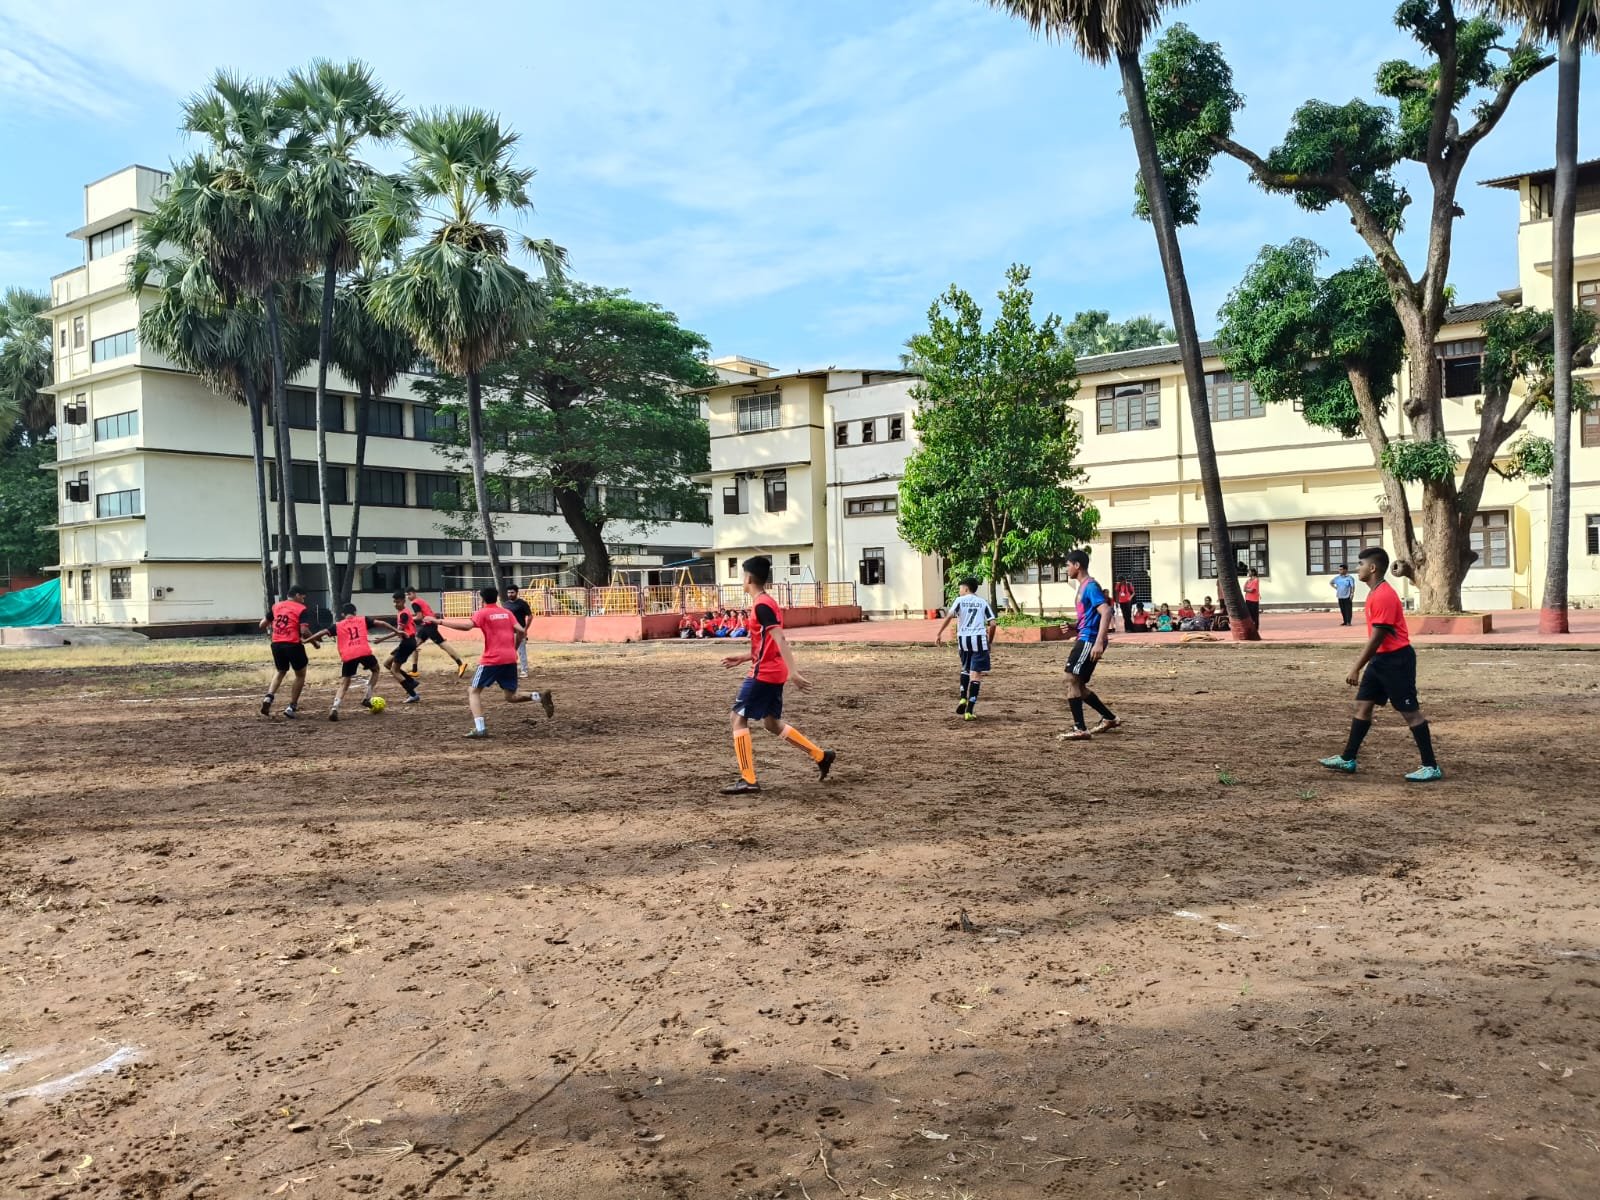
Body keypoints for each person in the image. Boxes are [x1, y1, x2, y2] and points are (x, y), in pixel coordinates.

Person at [1318, 546, 1442, 782]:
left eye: (1360, 564)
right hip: (1380, 660)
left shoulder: (1384, 595)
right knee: (1362, 706)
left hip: (1396, 661)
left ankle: (1431, 766)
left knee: (1410, 713)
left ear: (1372, 568)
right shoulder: (1375, 593)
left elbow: (1378, 637)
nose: (1357, 568)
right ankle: (1348, 758)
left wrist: (1356, 667)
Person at [721, 555, 836, 795]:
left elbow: (780, 638)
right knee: (771, 723)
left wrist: (794, 671)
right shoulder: (768, 602)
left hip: (764, 673)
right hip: (773, 670)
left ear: (748, 578)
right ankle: (820, 755)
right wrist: (745, 656)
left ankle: (748, 779)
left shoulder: (761, 605)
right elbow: (769, 643)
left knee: (737, 718)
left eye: (742, 576)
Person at [439, 586, 554, 739]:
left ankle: (480, 729)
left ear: (482, 599)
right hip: (509, 658)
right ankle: (538, 696)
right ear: (497, 597)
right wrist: (514, 648)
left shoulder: (482, 612)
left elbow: (467, 627)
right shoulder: (507, 613)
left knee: (473, 691)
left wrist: (440, 621)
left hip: (492, 659)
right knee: (510, 696)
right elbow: (521, 631)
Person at [1058, 549, 1120, 741]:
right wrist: (1073, 626)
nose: (1066, 569)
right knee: (1078, 684)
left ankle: (1080, 728)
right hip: (1086, 636)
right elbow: (1090, 617)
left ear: (1077, 565)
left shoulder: (1090, 586)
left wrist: (1099, 641)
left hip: (1089, 639)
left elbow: (1106, 611)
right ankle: (1109, 718)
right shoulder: (1083, 586)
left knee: (1071, 678)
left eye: (1068, 565)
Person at [933, 576, 997, 720]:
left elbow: (949, 616)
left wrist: (939, 633)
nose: (959, 591)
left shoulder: (959, 600)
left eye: (960, 588)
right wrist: (990, 642)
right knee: (976, 674)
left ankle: (962, 697)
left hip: (963, 639)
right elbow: (992, 624)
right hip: (979, 639)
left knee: (965, 668)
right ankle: (969, 711)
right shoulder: (982, 602)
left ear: (966, 588)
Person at [326, 604, 404, 721]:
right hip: (363, 652)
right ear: (355, 612)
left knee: (345, 682)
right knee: (376, 670)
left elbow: (323, 632)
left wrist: (309, 640)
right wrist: (397, 631)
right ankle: (367, 697)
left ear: (342, 614)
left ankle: (334, 708)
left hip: (349, 654)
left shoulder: (338, 625)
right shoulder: (363, 620)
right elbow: (382, 623)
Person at [259, 583, 315, 718]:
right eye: (303, 597)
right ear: (297, 595)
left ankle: (268, 697)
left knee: (280, 671)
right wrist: (315, 642)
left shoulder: (276, 606)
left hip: (276, 644)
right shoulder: (301, 609)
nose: (303, 600)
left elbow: (262, 624)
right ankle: (291, 707)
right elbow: (304, 631)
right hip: (292, 644)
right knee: (300, 675)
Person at [405, 586, 468, 678]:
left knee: (443, 644)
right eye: (407, 595)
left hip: (429, 625)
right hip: (427, 625)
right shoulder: (420, 600)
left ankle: (461, 664)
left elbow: (419, 617)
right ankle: (414, 670)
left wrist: (409, 619)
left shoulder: (415, 603)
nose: (408, 597)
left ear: (414, 593)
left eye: (409, 594)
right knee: (413, 645)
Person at [383, 591, 423, 704]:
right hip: (406, 642)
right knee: (387, 663)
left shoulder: (404, 614)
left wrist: (381, 639)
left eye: (398, 602)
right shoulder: (402, 612)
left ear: (404, 601)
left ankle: (413, 694)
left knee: (394, 670)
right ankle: (411, 682)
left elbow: (398, 631)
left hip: (407, 643)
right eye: (394, 602)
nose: (396, 604)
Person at [503, 583, 534, 677]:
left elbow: (530, 616)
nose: (510, 594)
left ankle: (524, 670)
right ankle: (510, 670)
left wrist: (525, 629)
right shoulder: (505, 604)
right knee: (508, 652)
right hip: (508, 632)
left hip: (519, 632)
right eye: (508, 593)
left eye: (512, 592)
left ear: (516, 593)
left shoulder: (522, 603)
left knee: (521, 651)